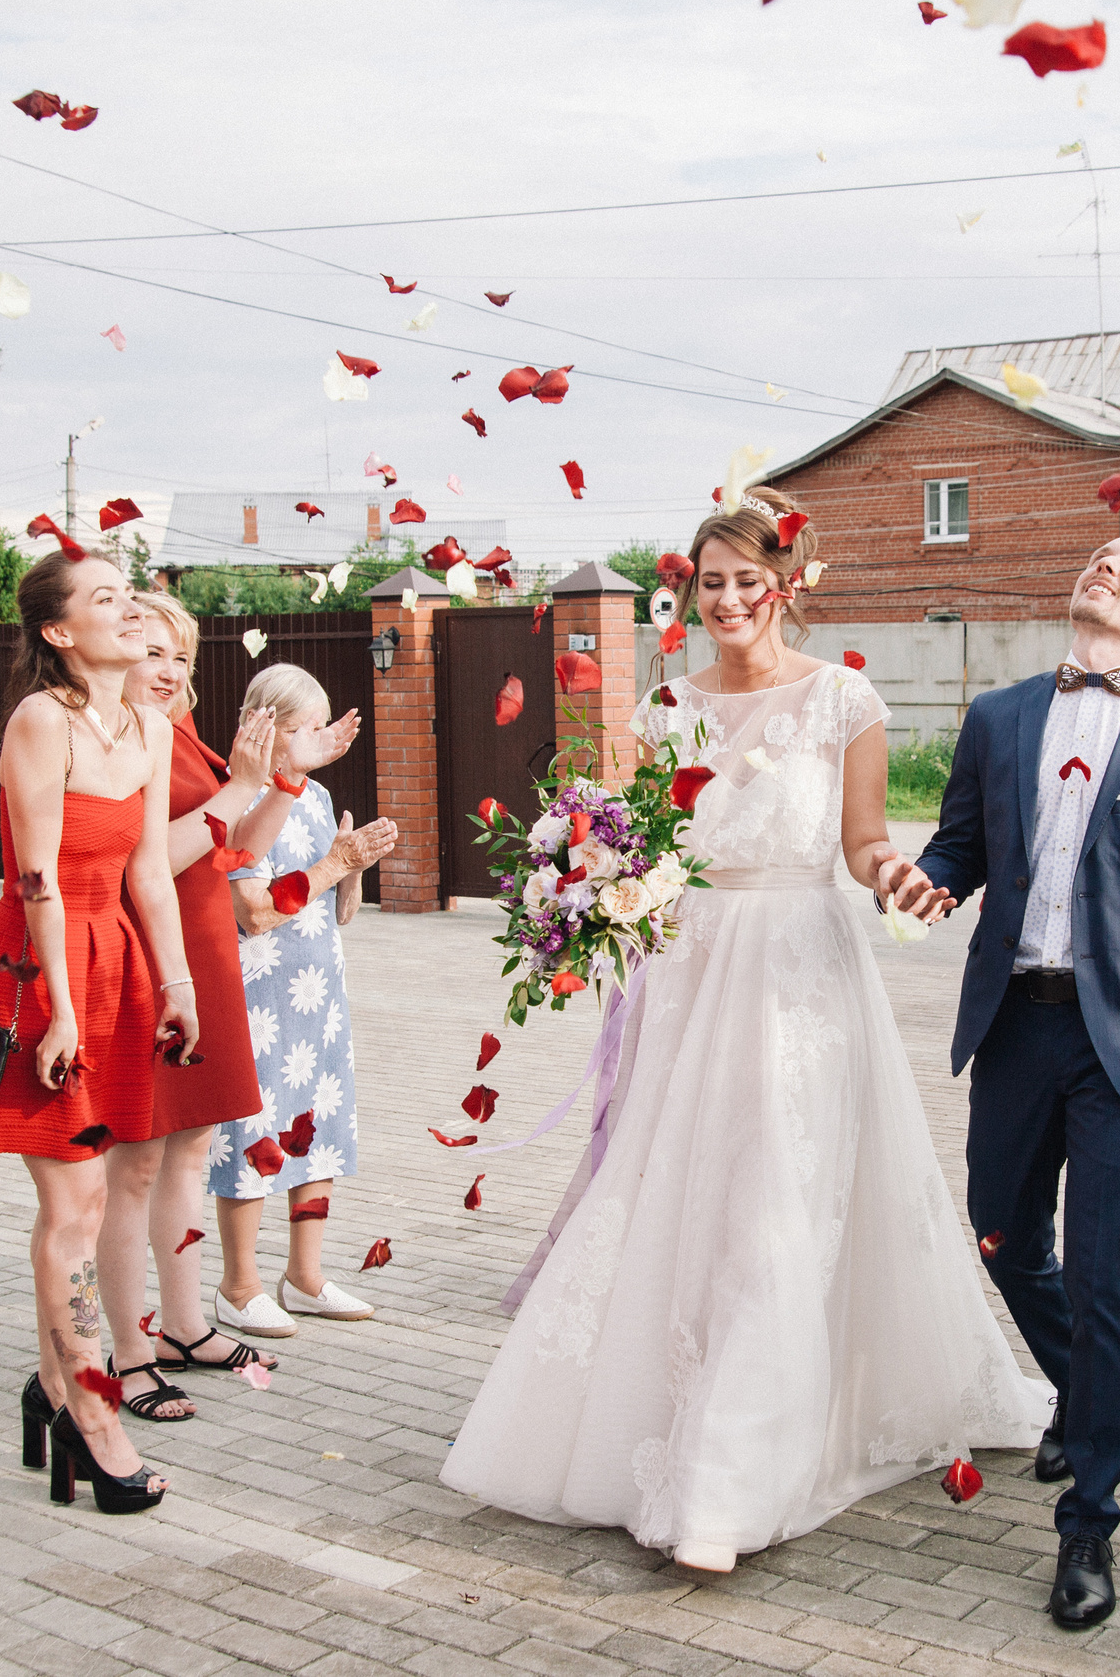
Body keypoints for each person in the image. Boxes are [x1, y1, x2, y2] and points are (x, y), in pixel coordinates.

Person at [441, 486, 1050, 1575]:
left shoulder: (845, 701)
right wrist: (587, 886)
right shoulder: (666, 708)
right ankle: (659, 1422)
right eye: (708, 582)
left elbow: (863, 843)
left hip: (803, 976)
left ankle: (729, 1479)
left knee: (779, 1197)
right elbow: (638, 847)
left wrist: (898, 873)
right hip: (689, 971)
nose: (726, 599)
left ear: (785, 586)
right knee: (687, 1188)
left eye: (745, 581)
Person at [912, 532, 1120, 1631]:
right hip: (1015, 1027)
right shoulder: (999, 716)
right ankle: (1083, 1388)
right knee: (1000, 1234)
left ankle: (1088, 1524)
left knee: (1107, 1274)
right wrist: (924, 879)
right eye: (1101, 554)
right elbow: (961, 846)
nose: (1109, 565)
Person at [0, 551, 199, 1515]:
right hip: (40, 968)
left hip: (114, 962)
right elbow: (36, 875)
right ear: (56, 631)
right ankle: (92, 1411)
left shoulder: (152, 724)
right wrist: (65, 1013)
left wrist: (175, 982)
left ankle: (56, 1392)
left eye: (130, 595)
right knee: (75, 1208)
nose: (127, 611)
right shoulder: (43, 720)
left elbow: (153, 873)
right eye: (103, 599)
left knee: (82, 1205)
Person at [95, 593, 288, 1420]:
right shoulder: (117, 738)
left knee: (191, 1148)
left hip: (202, 951)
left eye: (182, 657)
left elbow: (237, 849)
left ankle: (182, 1323)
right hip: (147, 957)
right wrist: (238, 786)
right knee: (133, 1161)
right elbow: (150, 861)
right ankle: (130, 1349)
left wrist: (284, 778)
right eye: (152, 652)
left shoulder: (177, 733)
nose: (170, 671)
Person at [203, 663, 395, 1334]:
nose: (316, 740)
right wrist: (332, 866)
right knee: (254, 1133)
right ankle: (239, 1283)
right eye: (301, 728)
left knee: (318, 1128)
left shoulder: (313, 796)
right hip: (257, 991)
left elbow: (335, 904)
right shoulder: (238, 801)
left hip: (317, 989)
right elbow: (252, 910)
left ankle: (305, 1276)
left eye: (319, 726)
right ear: (260, 726)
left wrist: (352, 869)